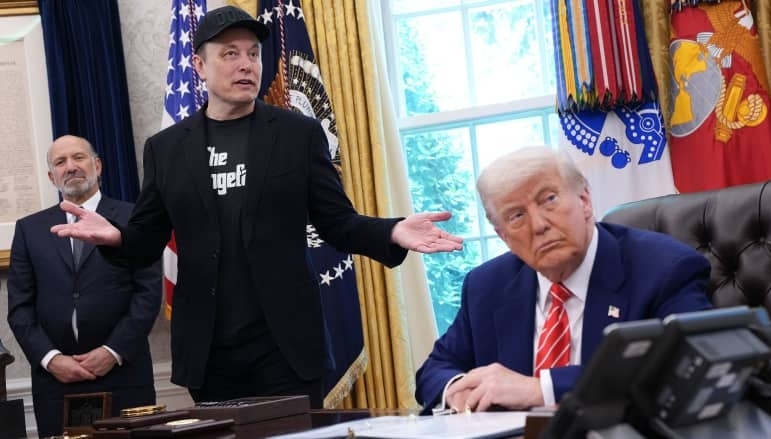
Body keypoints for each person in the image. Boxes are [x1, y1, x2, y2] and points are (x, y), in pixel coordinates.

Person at [50, 6, 463, 408]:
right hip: (209, 352)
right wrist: (116, 238)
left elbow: (337, 222)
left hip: (286, 346)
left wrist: (391, 230)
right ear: (199, 65)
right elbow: (146, 239)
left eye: (253, 53)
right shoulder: (166, 148)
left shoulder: (298, 134)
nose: (246, 64)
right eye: (230, 54)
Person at [415, 147, 713, 414]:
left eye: (549, 200)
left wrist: (541, 389)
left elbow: (687, 367)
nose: (539, 225)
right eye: (516, 216)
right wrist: (459, 390)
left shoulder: (664, 269)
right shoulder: (486, 286)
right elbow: (435, 370)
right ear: (503, 236)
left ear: (584, 200)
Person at [7, 135, 161, 437]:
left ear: (98, 165)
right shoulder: (29, 229)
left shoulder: (134, 219)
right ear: (52, 177)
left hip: (123, 374)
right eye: (60, 162)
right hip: (56, 383)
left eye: (78, 157)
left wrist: (112, 351)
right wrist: (51, 360)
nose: (70, 166)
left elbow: (148, 293)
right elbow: (20, 309)